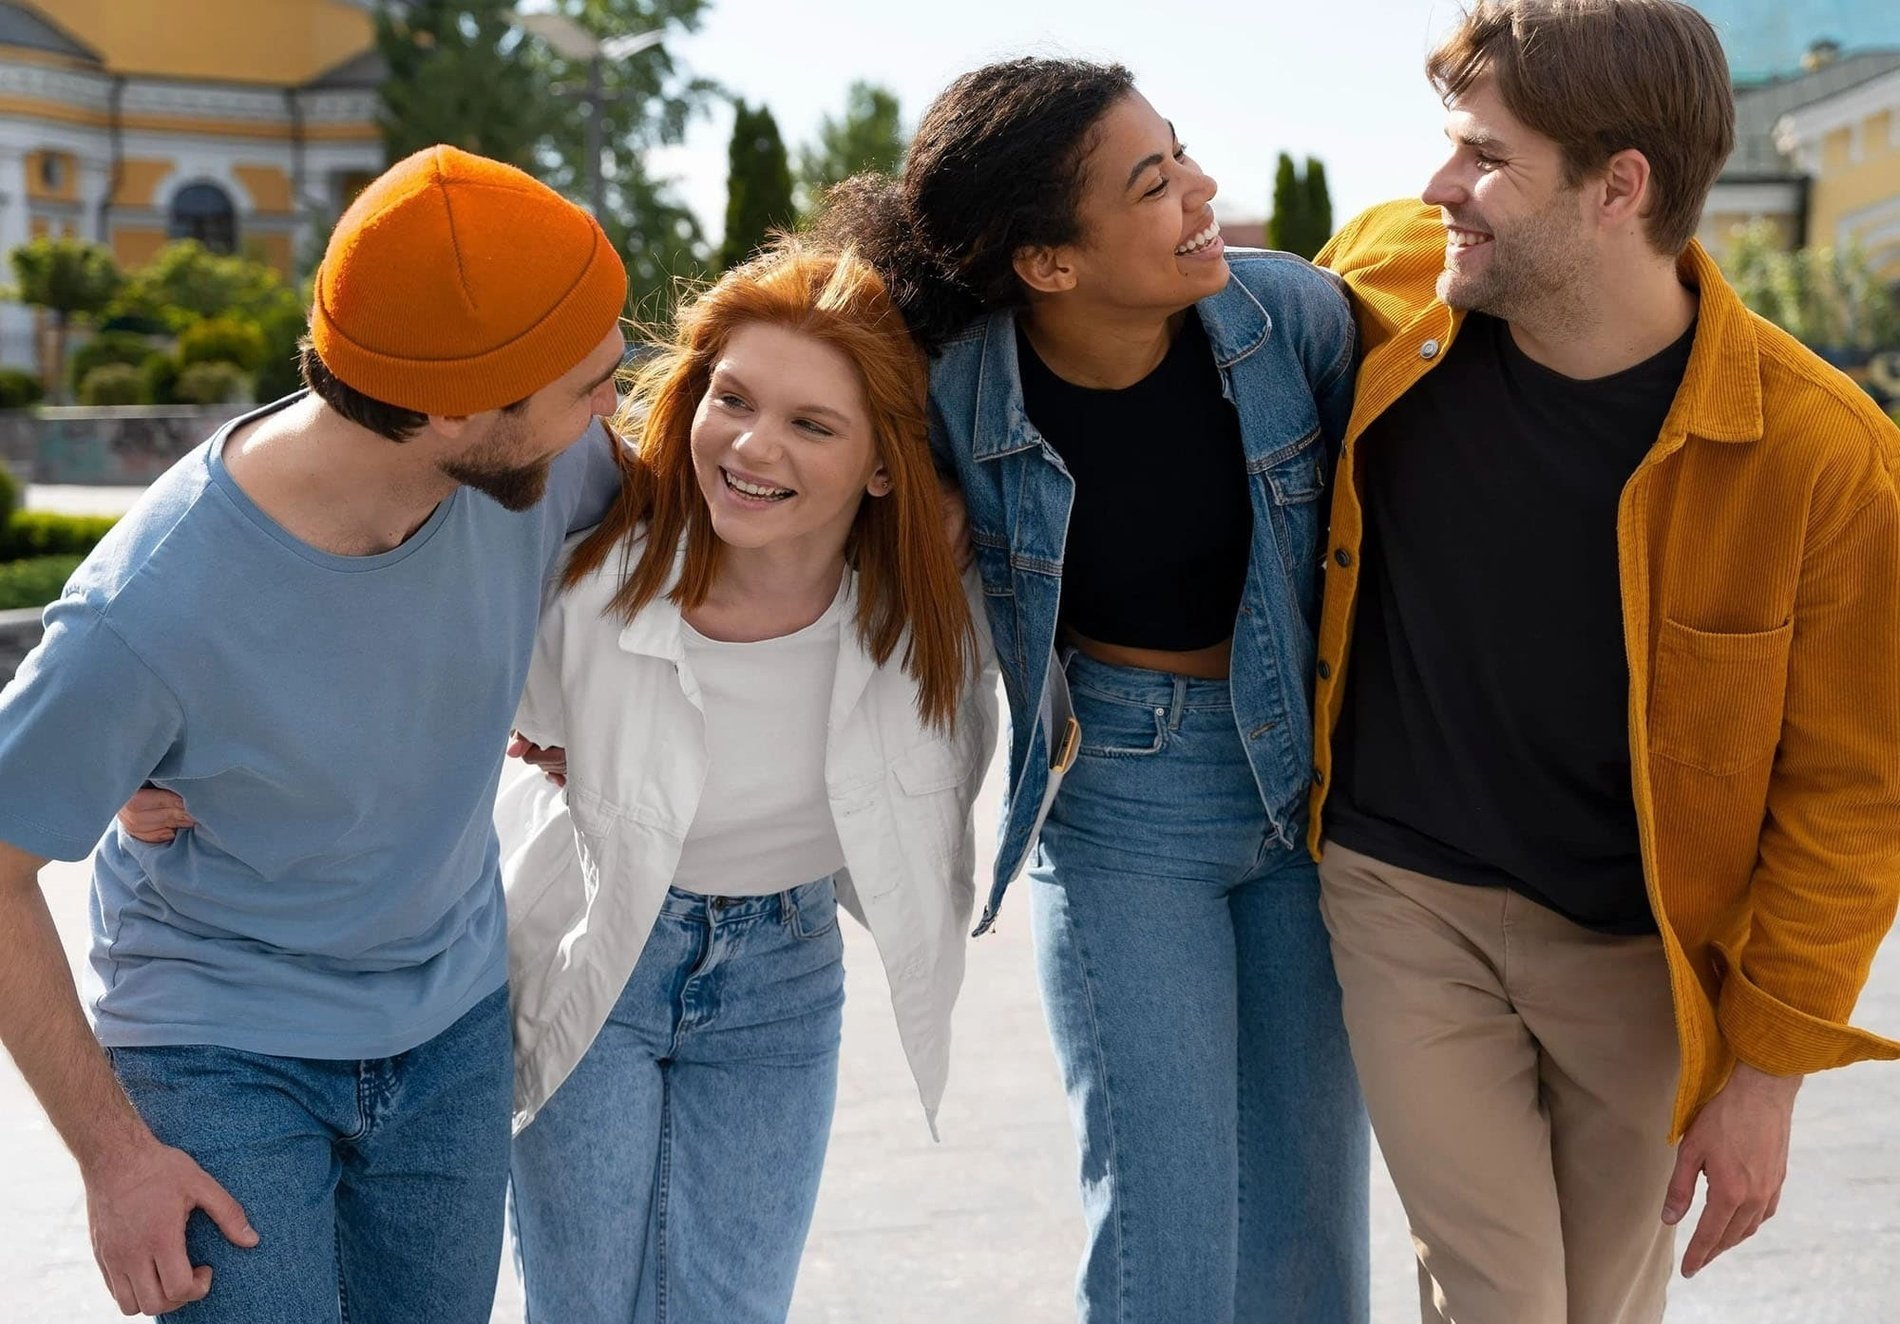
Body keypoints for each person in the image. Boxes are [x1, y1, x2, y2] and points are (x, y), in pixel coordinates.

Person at [1309, 3, 1900, 1320]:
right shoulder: (1387, 291)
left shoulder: (1825, 458)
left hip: (1644, 953)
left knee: (1605, 1306)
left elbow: (1853, 793)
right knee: (1505, 1300)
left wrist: (1767, 1076)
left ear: (1616, 188)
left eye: (1485, 158)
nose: (1436, 188)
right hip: (1407, 897)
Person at [0, 144, 627, 1320]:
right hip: (221, 1048)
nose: (613, 407)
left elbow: (706, 541)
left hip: (452, 1026)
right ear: (450, 406)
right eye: (588, 383)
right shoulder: (150, 608)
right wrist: (111, 1158)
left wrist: (572, 714)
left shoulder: (543, 462)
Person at [820, 58, 1368, 1322]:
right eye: (1154, 183)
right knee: (1161, 1230)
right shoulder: (944, 389)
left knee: (1306, 1233)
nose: (1202, 194)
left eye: (1179, 156)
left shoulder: (1295, 321)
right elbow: (743, 451)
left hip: (1309, 793)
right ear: (1047, 264)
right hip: (1120, 797)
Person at [493, 238, 996, 1323]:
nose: (753, 445)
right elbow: (409, 683)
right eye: (734, 399)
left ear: (878, 463)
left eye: (812, 424)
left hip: (781, 974)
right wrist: (180, 767)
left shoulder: (928, 605)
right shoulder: (588, 571)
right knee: (581, 1307)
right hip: (595, 949)